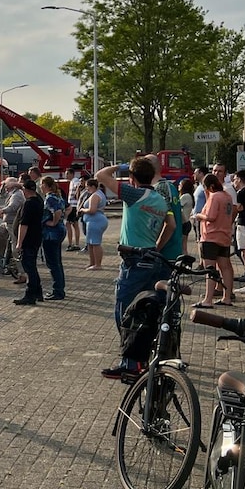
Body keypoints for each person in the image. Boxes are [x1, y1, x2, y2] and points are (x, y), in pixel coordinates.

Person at [96, 157, 168, 379]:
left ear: (133, 179)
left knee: (125, 313)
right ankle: (143, 358)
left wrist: (122, 166)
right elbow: (170, 225)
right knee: (147, 311)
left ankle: (131, 362)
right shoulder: (160, 199)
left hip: (133, 260)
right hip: (152, 257)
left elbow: (101, 175)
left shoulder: (134, 194)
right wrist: (156, 247)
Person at [193, 173, 236, 308]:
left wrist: (198, 215)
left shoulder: (214, 197)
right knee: (226, 268)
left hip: (211, 236)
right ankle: (227, 297)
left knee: (210, 269)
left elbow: (210, 216)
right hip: (224, 235)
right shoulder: (227, 197)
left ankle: (208, 299)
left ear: (210, 186)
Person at [12, 179, 45, 305]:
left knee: (29, 268)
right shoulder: (39, 200)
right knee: (32, 267)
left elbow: (24, 224)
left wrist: (19, 243)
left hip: (29, 239)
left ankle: (30, 295)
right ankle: (38, 292)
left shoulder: (29, 204)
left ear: (25, 190)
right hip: (36, 237)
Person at [40, 176, 67, 300]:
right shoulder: (58, 196)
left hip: (51, 233)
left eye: (42, 184)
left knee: (52, 263)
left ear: (46, 185)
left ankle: (58, 291)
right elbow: (67, 208)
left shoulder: (50, 198)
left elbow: (57, 211)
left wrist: (53, 222)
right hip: (60, 230)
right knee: (57, 261)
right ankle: (60, 288)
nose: (40, 187)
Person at [79, 178, 108, 270]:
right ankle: (92, 263)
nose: (86, 189)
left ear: (92, 186)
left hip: (95, 221)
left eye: (87, 186)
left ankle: (98, 264)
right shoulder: (98, 194)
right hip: (93, 221)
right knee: (90, 243)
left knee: (95, 243)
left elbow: (92, 210)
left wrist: (82, 210)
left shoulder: (95, 196)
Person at [64, 168, 83, 252]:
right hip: (74, 205)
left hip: (73, 206)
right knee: (75, 224)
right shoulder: (72, 181)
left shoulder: (75, 180)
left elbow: (79, 186)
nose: (66, 175)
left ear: (71, 174)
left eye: (67, 174)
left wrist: (76, 196)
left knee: (68, 224)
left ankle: (71, 243)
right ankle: (76, 243)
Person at [178, 178, 195, 257]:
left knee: (182, 247)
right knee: (184, 246)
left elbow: (177, 206)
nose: (178, 186)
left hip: (183, 223)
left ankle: (184, 261)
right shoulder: (190, 196)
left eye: (180, 185)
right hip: (187, 223)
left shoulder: (185, 196)